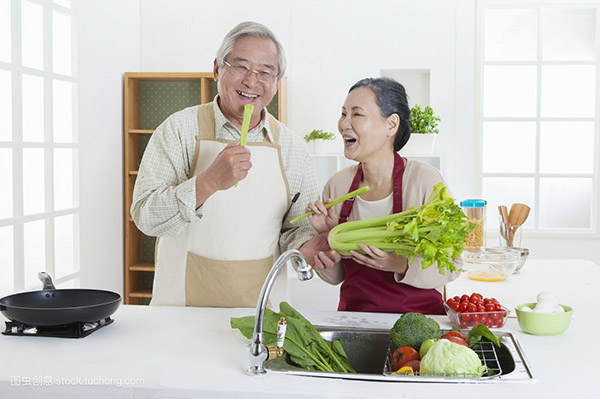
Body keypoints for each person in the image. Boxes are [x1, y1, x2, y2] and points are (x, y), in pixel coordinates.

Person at [131, 21, 331, 307]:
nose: (252, 81)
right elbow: (145, 217)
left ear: (276, 83)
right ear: (216, 69)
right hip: (180, 309)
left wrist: (308, 246)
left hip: (262, 311)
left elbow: (297, 228)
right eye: (240, 67)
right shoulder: (178, 129)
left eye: (265, 72)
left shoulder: (292, 147)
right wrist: (208, 182)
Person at [305, 77, 461, 315]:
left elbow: (453, 265)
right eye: (343, 114)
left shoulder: (426, 181)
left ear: (391, 124)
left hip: (420, 321)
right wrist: (326, 241)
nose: (344, 124)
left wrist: (399, 264)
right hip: (356, 320)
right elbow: (336, 277)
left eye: (356, 114)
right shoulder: (337, 186)